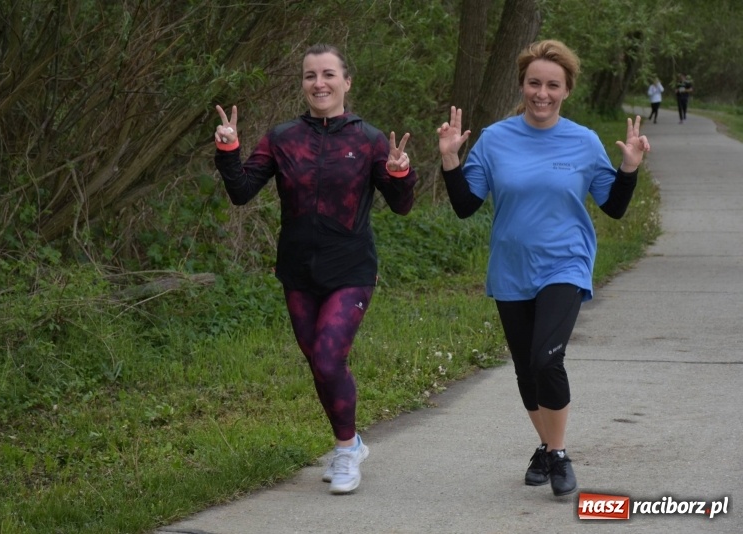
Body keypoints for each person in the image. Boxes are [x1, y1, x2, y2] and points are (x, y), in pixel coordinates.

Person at [437, 39, 650, 497]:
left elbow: (612, 207)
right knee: (524, 369)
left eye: (553, 85)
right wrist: (451, 159)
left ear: (566, 90)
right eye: (534, 83)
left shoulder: (584, 141)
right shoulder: (495, 139)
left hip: (565, 263)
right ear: (522, 85)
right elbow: (464, 205)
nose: (542, 93)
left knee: (545, 358)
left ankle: (558, 454)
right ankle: (546, 445)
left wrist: (628, 169)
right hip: (512, 267)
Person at [213, 44, 418, 494]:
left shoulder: (368, 139)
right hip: (298, 272)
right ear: (303, 84)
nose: (319, 83)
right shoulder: (283, 137)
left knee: (329, 357)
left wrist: (401, 174)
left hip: (352, 269)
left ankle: (346, 451)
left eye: (328, 74)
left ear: (346, 81)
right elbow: (243, 191)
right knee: (318, 364)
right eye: (310, 76)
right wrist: (229, 150)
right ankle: (352, 442)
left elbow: (401, 207)